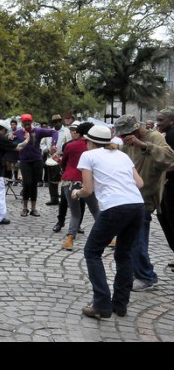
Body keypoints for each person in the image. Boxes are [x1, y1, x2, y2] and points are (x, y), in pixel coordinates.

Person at [74, 125, 144, 319]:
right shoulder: (121, 155)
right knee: (124, 255)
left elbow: (87, 190)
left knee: (92, 252)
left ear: (89, 141)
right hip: (137, 205)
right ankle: (120, 305)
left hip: (115, 207)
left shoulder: (88, 156)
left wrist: (76, 192)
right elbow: (140, 183)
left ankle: (101, 304)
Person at [114, 115, 174, 291]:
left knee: (138, 239)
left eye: (129, 133)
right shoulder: (127, 143)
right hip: (131, 196)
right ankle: (140, 272)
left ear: (136, 128)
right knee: (131, 238)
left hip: (146, 197)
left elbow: (170, 156)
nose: (127, 137)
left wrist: (144, 146)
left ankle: (146, 276)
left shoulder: (153, 136)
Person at [58, 122, 100, 250]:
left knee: (75, 213)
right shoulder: (94, 147)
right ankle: (110, 238)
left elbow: (63, 162)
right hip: (87, 181)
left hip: (70, 181)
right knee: (95, 210)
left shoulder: (70, 146)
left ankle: (70, 239)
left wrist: (57, 160)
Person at [10, 114, 58, 217]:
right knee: (27, 183)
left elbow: (54, 132)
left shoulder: (38, 131)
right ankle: (24, 208)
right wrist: (10, 137)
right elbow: (10, 144)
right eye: (25, 124)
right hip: (24, 161)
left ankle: (33, 208)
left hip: (37, 160)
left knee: (34, 185)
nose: (27, 126)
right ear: (22, 123)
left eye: (28, 123)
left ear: (31, 122)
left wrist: (53, 144)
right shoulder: (18, 133)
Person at [155, 108, 174, 270]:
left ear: (171, 121)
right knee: (165, 217)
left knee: (170, 219)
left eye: (161, 120)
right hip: (167, 185)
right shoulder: (166, 135)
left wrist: (159, 170)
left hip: (171, 186)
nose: (157, 123)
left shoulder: (172, 135)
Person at [43, 114, 72, 206]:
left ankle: (66, 199)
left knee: (65, 179)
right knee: (51, 180)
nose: (57, 123)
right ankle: (54, 198)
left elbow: (71, 143)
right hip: (51, 158)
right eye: (55, 122)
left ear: (61, 121)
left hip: (63, 157)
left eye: (58, 121)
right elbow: (42, 144)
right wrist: (45, 149)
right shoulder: (49, 132)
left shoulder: (67, 131)